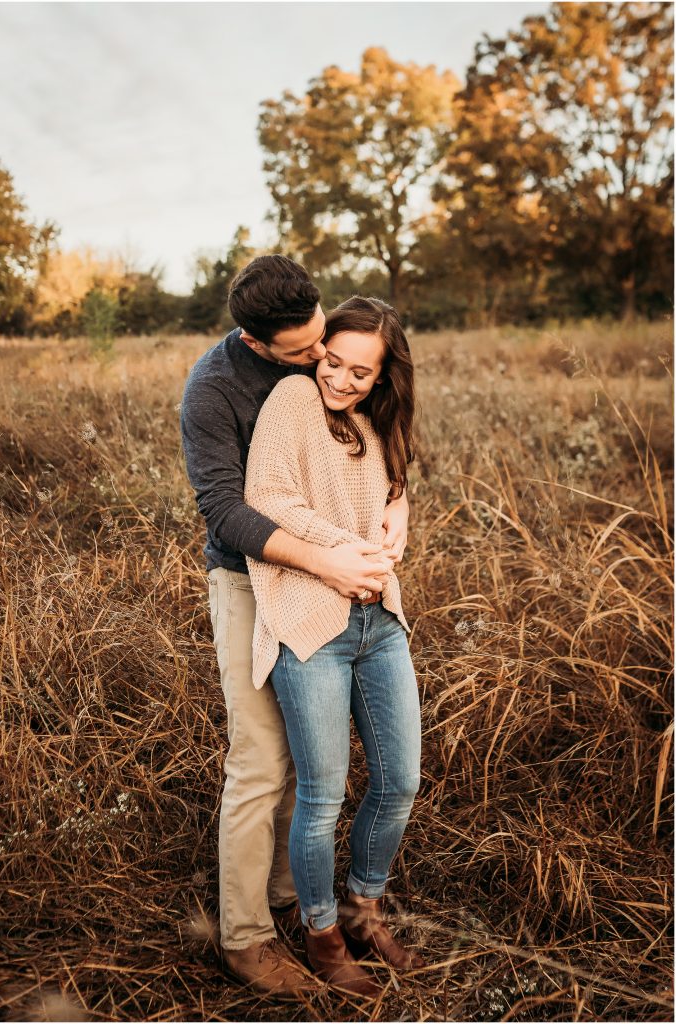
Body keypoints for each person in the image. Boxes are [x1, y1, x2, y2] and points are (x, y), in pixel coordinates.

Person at [180, 258, 410, 996]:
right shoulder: (214, 390)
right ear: (257, 343)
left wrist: (398, 501)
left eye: (323, 338)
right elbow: (228, 511)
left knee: (311, 762)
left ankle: (289, 893)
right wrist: (330, 558)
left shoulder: (327, 352)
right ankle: (246, 937)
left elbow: (374, 444)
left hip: (335, 576)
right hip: (249, 576)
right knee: (263, 759)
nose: (321, 359)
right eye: (306, 351)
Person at [244, 296, 424, 997]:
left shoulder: (375, 423)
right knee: (322, 795)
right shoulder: (293, 398)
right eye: (335, 361)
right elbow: (267, 496)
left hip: (380, 622)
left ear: (382, 378)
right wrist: (347, 549)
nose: (340, 379)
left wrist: (398, 508)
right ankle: (321, 932)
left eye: (361, 372)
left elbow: (387, 491)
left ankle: (362, 908)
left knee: (399, 780)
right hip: (310, 624)